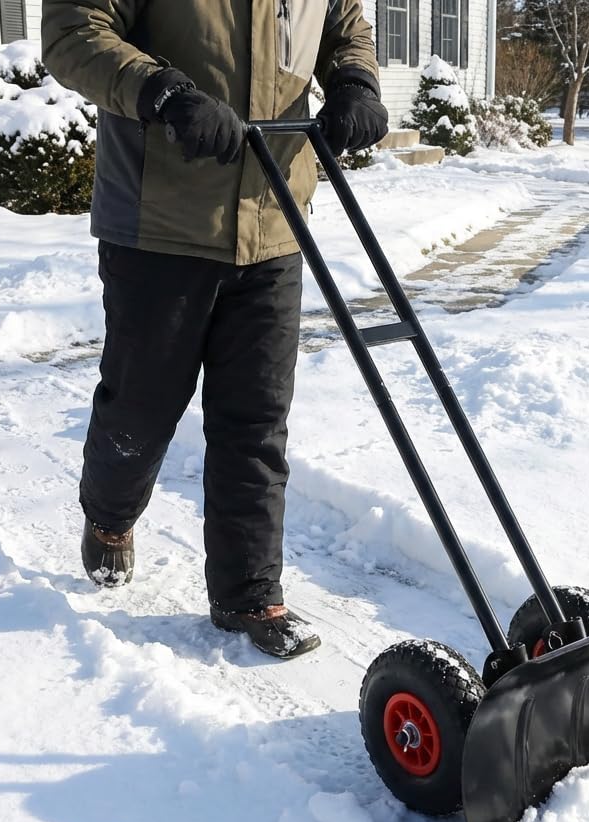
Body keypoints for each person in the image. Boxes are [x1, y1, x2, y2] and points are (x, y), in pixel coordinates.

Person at [41, 1, 389, 658]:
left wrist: (355, 82)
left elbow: (347, 29)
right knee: (139, 411)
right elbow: (72, 32)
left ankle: (248, 593)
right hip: (158, 224)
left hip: (275, 222)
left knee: (256, 421)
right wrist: (162, 91)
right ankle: (110, 518)